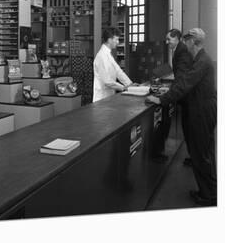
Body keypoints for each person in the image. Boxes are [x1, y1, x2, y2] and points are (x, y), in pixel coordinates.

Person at [147, 28, 217, 206]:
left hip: (201, 110)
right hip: (203, 108)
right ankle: (210, 190)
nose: (185, 44)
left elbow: (185, 83)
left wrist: (161, 99)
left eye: (187, 41)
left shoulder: (201, 61)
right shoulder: (201, 58)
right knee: (204, 151)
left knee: (201, 154)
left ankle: (208, 195)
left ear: (193, 41)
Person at [165, 29, 193, 165]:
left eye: (169, 39)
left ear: (177, 38)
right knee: (187, 128)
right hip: (186, 95)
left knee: (190, 128)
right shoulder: (178, 49)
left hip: (188, 97)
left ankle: (195, 159)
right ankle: (193, 157)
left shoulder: (182, 51)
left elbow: (181, 78)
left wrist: (166, 96)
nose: (167, 42)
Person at [93, 27, 133, 102]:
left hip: (109, 96)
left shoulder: (108, 54)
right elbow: (107, 81)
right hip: (101, 98)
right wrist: (124, 88)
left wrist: (130, 84)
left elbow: (118, 72)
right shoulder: (101, 57)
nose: (118, 42)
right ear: (109, 40)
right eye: (116, 39)